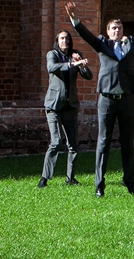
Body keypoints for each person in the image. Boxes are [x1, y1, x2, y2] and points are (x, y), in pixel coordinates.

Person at [66, 0, 134, 197]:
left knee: (127, 142)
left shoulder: (131, 44)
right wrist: (75, 20)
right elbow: (87, 35)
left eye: (119, 28)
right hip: (107, 100)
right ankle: (99, 185)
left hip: (126, 99)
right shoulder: (102, 44)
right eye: (113, 28)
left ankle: (129, 182)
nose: (117, 31)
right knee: (103, 142)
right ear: (108, 31)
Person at [38, 30, 92, 189]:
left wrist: (81, 62)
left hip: (70, 106)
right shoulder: (52, 54)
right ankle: (44, 178)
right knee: (55, 142)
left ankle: (71, 178)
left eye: (67, 38)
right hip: (54, 106)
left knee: (73, 145)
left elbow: (88, 76)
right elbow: (51, 68)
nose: (65, 41)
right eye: (62, 38)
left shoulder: (76, 55)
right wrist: (71, 64)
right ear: (57, 40)